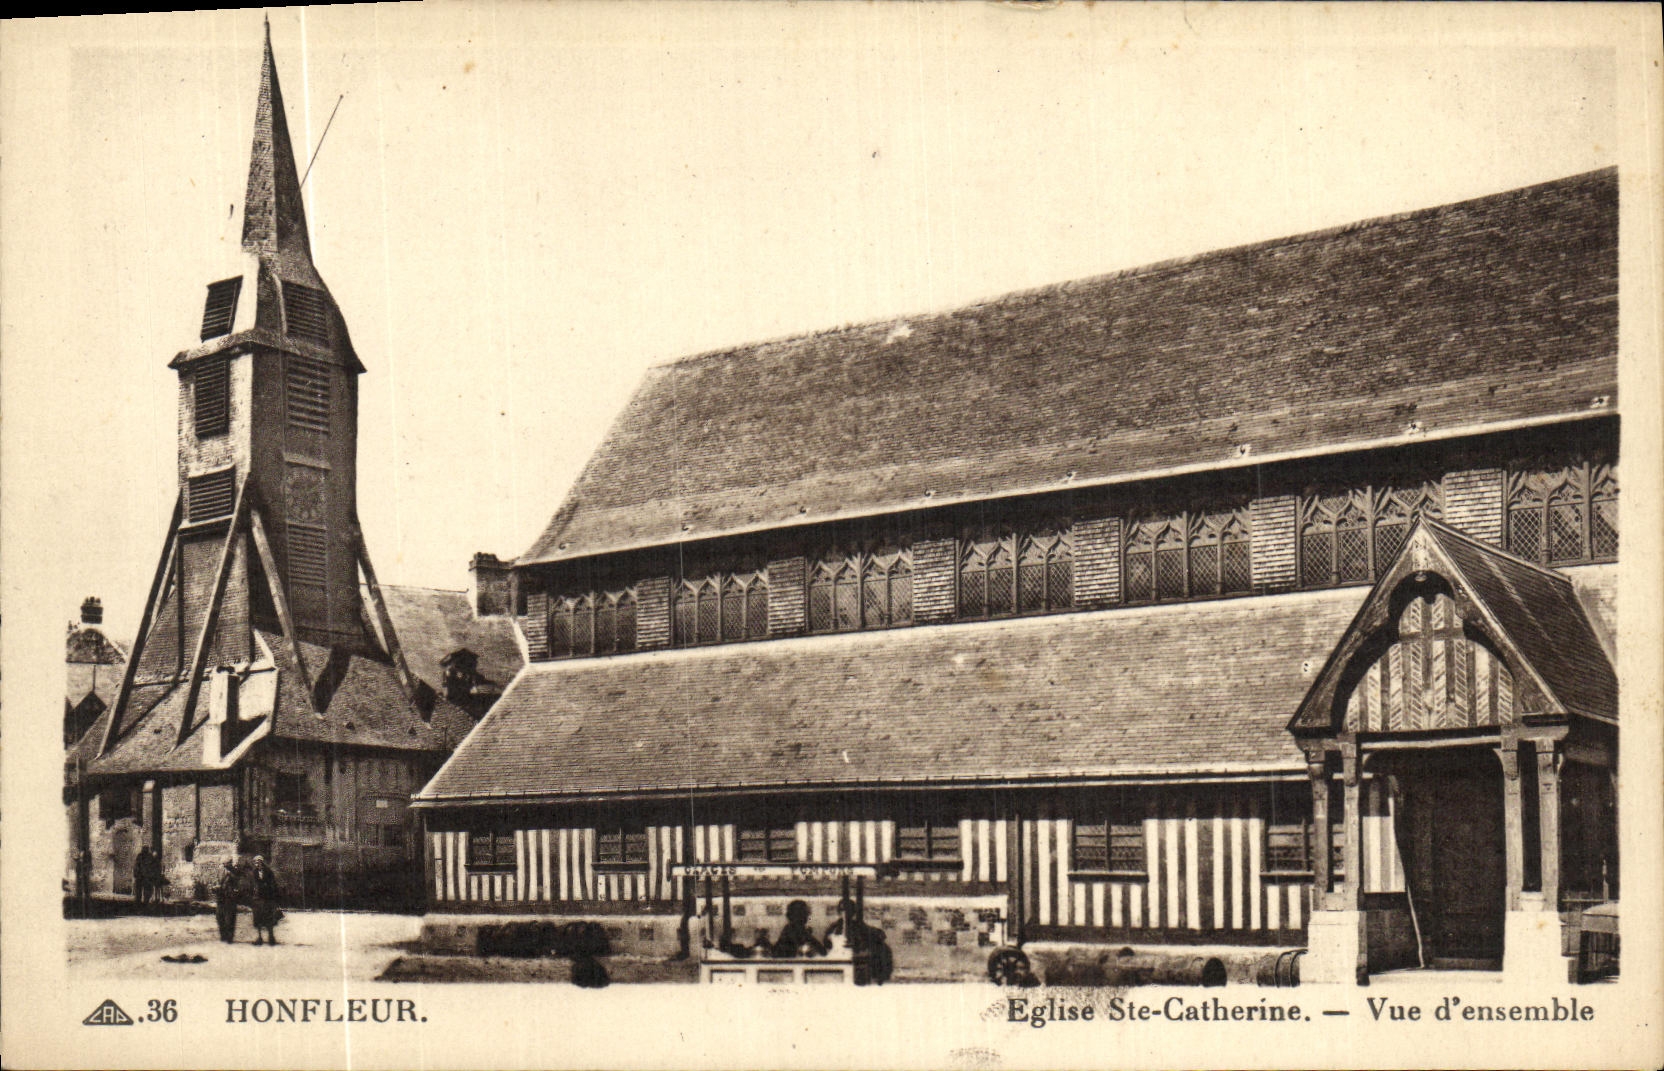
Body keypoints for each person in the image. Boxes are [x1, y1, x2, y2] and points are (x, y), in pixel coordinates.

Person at [247, 856, 281, 945]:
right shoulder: (253, 873)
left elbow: (273, 885)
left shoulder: (269, 872)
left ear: (262, 862)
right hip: (257, 899)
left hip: (267, 899)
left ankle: (271, 938)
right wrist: (251, 897)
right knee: (257, 919)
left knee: (269, 918)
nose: (257, 864)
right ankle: (259, 938)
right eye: (255, 863)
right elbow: (251, 885)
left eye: (258, 862)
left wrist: (274, 898)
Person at [213, 859, 242, 943]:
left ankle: (230, 937)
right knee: (220, 917)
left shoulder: (235, 871)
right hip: (220, 897)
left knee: (230, 918)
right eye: (224, 863)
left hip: (230, 898)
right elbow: (216, 880)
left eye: (227, 863)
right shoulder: (220, 871)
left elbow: (238, 881)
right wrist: (216, 886)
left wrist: (231, 875)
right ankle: (223, 936)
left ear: (230, 863)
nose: (225, 864)